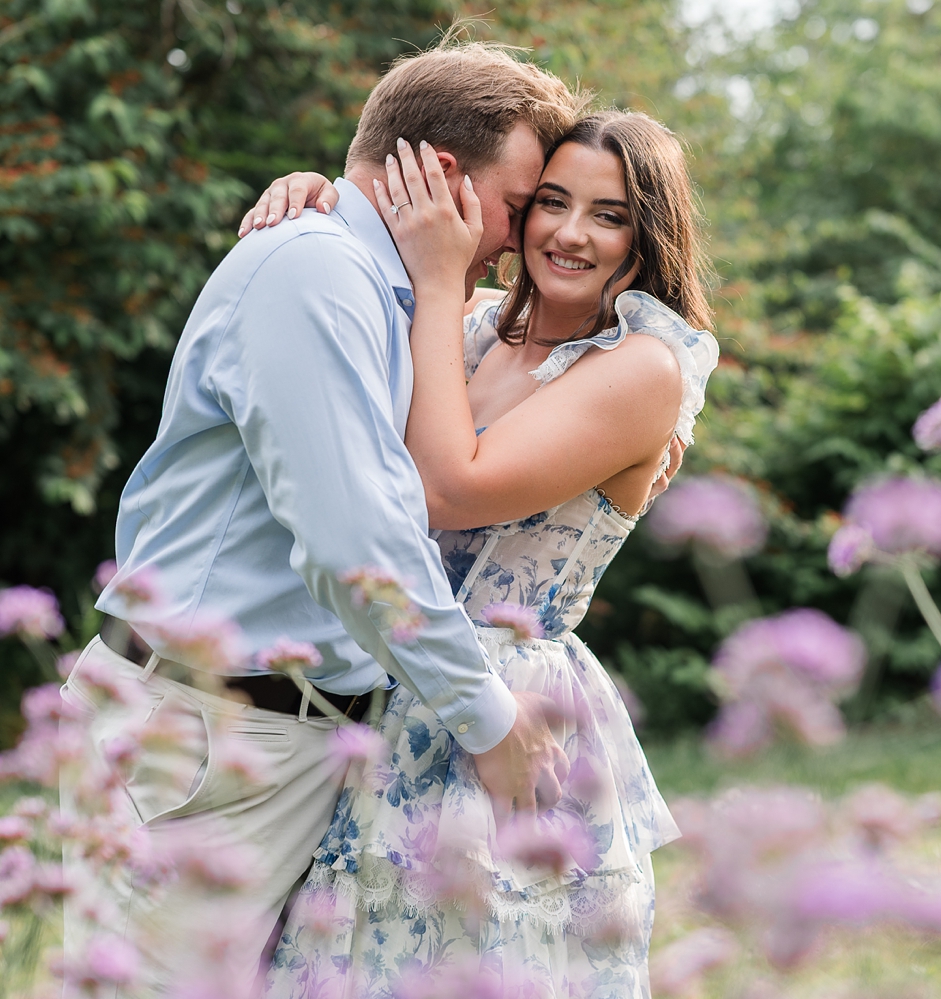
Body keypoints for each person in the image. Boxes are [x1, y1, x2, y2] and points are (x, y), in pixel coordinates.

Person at [62, 44, 588, 997]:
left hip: (300, 745)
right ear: (431, 172)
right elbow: (358, 537)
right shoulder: (313, 273)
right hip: (208, 742)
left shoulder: (393, 290)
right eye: (516, 206)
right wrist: (487, 717)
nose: (515, 240)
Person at [249, 109, 717, 998]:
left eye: (608, 214)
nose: (570, 233)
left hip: (508, 704)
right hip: (388, 675)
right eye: (550, 201)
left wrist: (431, 281)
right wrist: (318, 201)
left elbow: (447, 488)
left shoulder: (643, 365)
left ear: (647, 234)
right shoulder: (470, 326)